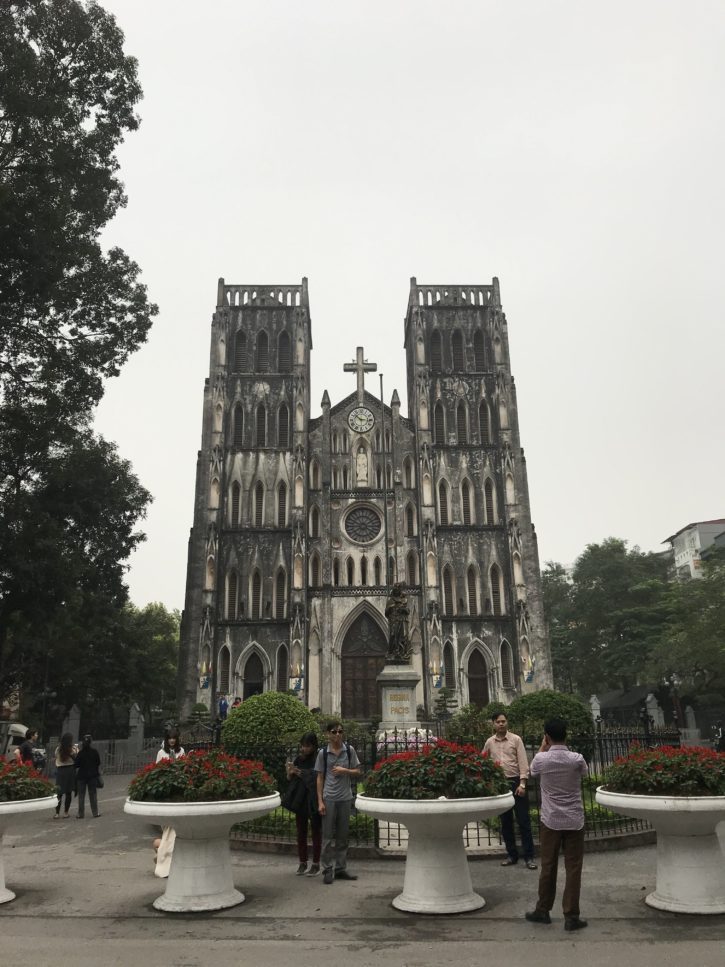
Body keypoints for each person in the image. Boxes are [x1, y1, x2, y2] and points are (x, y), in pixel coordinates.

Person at [525, 718, 588, 931]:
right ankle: (571, 916)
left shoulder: (542, 760)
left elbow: (531, 772)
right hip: (574, 820)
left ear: (547, 737)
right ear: (566, 735)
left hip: (550, 820)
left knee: (548, 866)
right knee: (573, 867)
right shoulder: (576, 759)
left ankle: (543, 910)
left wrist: (543, 747)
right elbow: (584, 773)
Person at [482, 712, 536, 869]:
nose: (501, 724)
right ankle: (512, 854)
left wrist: (523, 784)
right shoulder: (489, 742)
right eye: (498, 722)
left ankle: (529, 856)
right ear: (493, 724)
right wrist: (489, 782)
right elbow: (483, 761)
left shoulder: (516, 739)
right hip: (500, 785)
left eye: (503, 721)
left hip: (516, 783)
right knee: (505, 823)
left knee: (523, 821)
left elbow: (523, 762)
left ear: (507, 723)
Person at [315, 721, 361, 885]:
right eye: (334, 732)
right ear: (328, 734)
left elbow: (358, 771)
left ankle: (340, 868)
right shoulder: (323, 753)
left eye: (340, 732)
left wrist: (345, 771)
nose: (337, 735)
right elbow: (319, 777)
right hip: (329, 798)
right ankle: (327, 869)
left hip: (345, 797)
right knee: (327, 837)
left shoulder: (349, 750)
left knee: (343, 836)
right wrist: (320, 801)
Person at [285, 731, 322, 876]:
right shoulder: (299, 759)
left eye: (307, 746)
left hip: (313, 799)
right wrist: (290, 772)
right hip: (300, 799)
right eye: (302, 746)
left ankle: (316, 863)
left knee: (316, 832)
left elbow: (318, 777)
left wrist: (301, 773)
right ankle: (302, 862)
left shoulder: (318, 759)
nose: (304, 749)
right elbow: (290, 779)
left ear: (313, 746)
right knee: (301, 831)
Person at [153, 729, 186, 877]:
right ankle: (163, 854)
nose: (172, 741)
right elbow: (156, 769)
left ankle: (164, 854)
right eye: (169, 738)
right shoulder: (161, 753)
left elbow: (185, 766)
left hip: (178, 788)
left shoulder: (181, 751)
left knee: (175, 827)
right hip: (166, 789)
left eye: (174, 738)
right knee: (167, 827)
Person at [74, 734, 102, 819]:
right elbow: (98, 763)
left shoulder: (80, 753)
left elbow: (76, 765)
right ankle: (95, 813)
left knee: (81, 796)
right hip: (92, 776)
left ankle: (80, 814)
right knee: (93, 794)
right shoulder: (94, 752)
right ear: (91, 742)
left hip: (81, 776)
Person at [53, 733, 77, 818]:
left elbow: (56, 756)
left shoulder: (58, 749)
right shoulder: (72, 749)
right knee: (68, 792)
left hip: (60, 771)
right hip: (70, 770)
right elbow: (77, 757)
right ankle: (66, 812)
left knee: (59, 793)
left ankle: (57, 813)